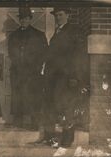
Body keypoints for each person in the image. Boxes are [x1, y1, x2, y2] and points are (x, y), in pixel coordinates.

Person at [29, 7, 89, 148]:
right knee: (50, 106)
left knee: (67, 107)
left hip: (67, 78)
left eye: (60, 15)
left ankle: (67, 140)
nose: (58, 18)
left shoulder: (74, 31)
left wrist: (75, 76)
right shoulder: (57, 32)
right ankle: (50, 137)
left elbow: (79, 56)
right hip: (53, 77)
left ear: (67, 15)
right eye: (56, 15)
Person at [8, 6, 48, 129]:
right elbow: (11, 53)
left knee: (34, 96)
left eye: (26, 18)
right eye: (22, 19)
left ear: (30, 19)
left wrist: (36, 67)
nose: (24, 21)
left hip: (33, 72)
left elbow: (44, 53)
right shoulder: (14, 35)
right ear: (19, 20)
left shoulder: (39, 35)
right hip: (18, 71)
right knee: (17, 94)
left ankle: (34, 122)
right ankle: (18, 120)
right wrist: (18, 64)